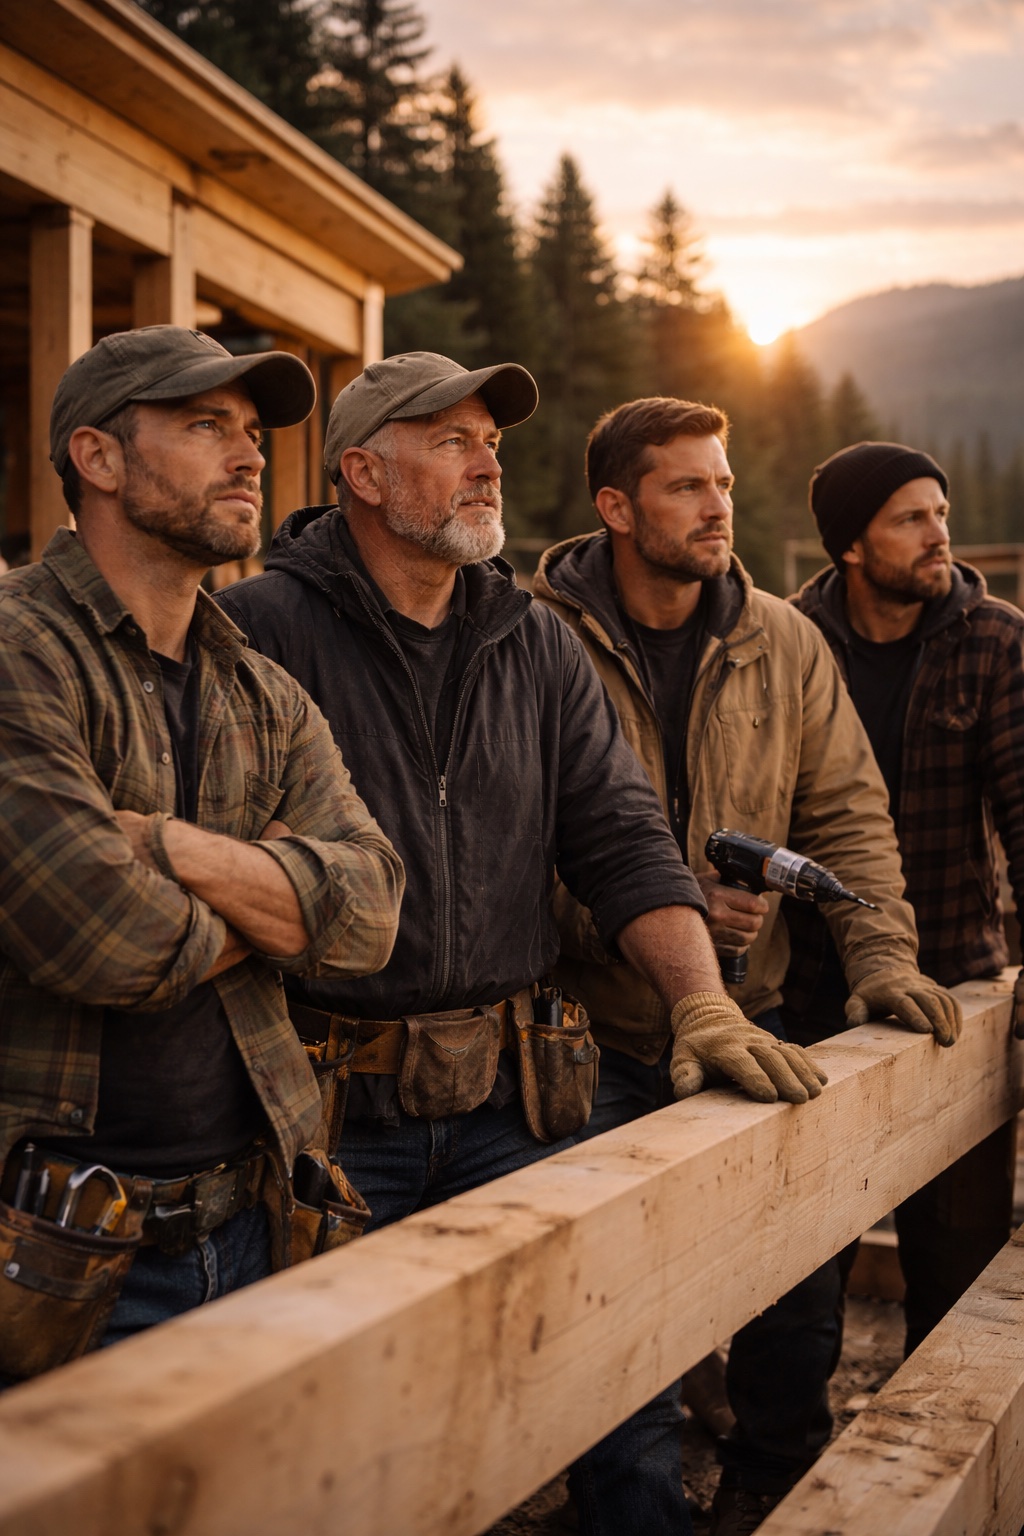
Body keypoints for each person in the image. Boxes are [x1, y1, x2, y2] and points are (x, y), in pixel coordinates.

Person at [216, 351, 827, 1536]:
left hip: (518, 1097)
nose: (487, 458)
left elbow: (622, 840)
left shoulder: (532, 642)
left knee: (619, 1390)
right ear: (362, 470)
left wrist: (702, 1002)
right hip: (326, 1115)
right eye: (447, 439)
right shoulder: (254, 631)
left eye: (489, 438)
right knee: (348, 1437)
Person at [532, 397, 962, 1535]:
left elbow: (849, 816)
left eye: (722, 483)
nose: (718, 505)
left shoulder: (781, 636)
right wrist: (640, 917)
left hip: (759, 1012)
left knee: (797, 1271)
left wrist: (878, 954)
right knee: (614, 1299)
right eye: (686, 486)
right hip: (583, 1036)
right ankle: (634, 1514)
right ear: (616, 508)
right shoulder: (532, 634)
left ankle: (773, 1485)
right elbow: (490, 844)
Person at [0, 326, 404, 1383]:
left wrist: (170, 849)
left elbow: (373, 915)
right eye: (203, 425)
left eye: (252, 431)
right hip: (50, 1250)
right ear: (97, 458)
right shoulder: (17, 654)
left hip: (258, 1218)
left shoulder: (257, 687)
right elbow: (107, 940)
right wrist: (275, 900)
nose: (251, 454)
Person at [790, 438, 1023, 1354]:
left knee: (957, 1263)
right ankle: (776, 1462)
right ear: (852, 545)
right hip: (808, 991)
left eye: (942, 512)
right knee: (805, 1263)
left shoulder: (996, 638)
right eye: (912, 519)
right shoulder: (789, 638)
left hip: (954, 991)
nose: (941, 536)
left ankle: (957, 1481)